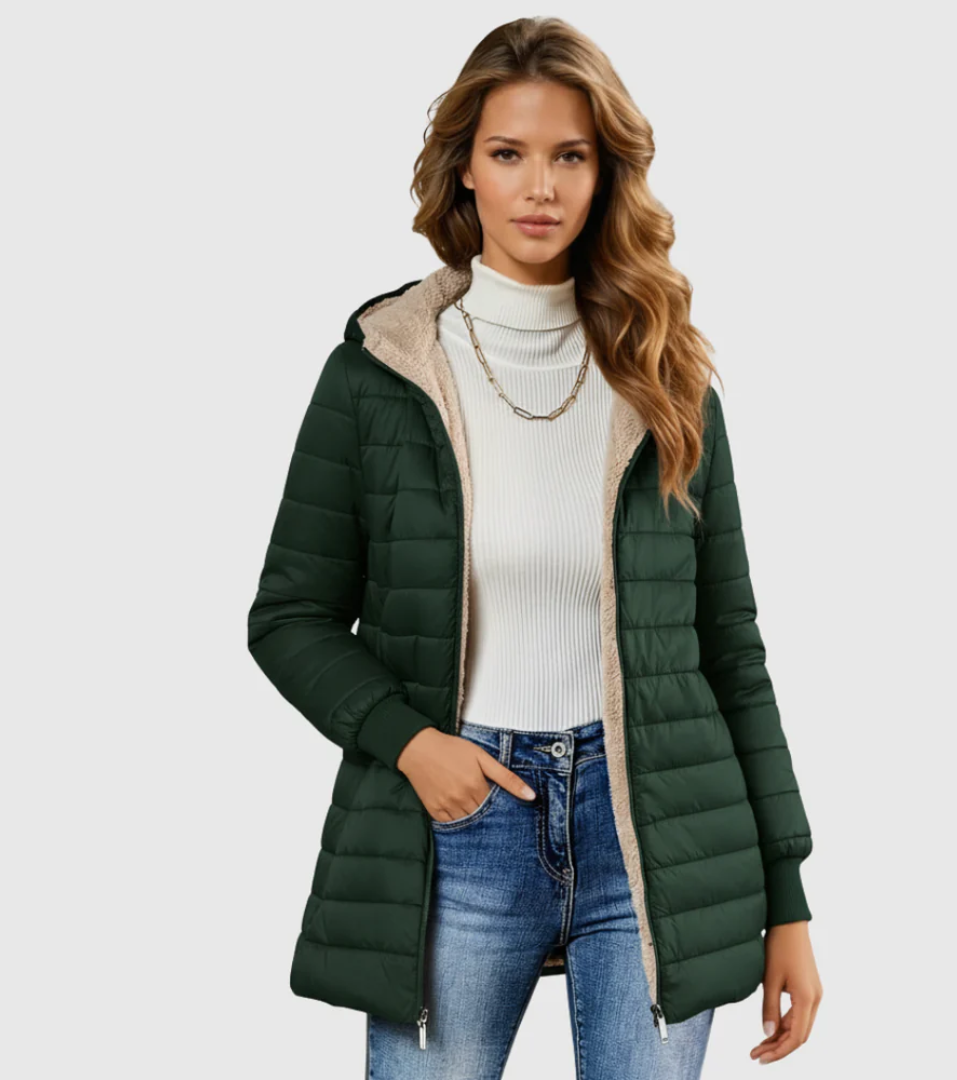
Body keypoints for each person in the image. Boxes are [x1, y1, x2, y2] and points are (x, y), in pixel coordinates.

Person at [247, 16, 822, 1079]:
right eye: (509, 153)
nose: (541, 187)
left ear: (608, 174)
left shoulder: (667, 377)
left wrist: (788, 900)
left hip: (654, 836)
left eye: (571, 156)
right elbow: (290, 618)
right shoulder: (381, 372)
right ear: (465, 167)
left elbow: (730, 649)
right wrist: (411, 745)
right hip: (459, 822)